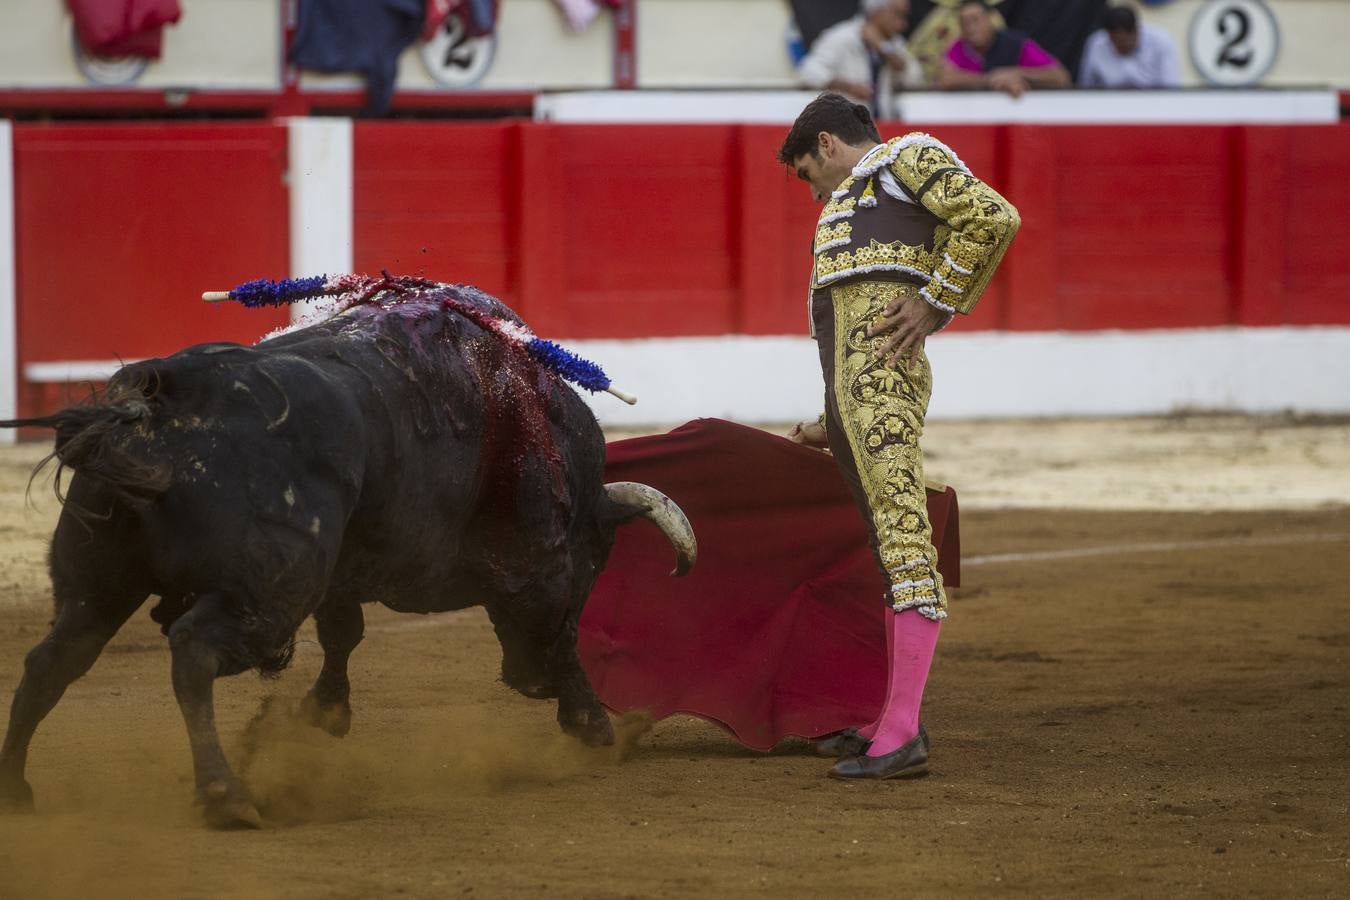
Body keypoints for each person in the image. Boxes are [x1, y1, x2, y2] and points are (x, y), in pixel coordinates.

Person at [779, 93, 1019, 779]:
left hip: (883, 395)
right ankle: (889, 719)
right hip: (856, 400)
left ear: (826, 145)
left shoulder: (904, 157)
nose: (811, 191)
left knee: (905, 542)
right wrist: (833, 417)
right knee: (891, 547)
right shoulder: (844, 208)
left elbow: (993, 216)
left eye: (805, 173)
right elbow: (848, 333)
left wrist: (935, 301)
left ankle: (904, 733)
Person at [797, 0, 924, 120]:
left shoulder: (894, 44)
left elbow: (915, 78)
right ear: (877, 12)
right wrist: (848, 87)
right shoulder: (842, 37)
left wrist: (883, 49)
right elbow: (809, 71)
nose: (902, 24)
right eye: (897, 15)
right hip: (845, 125)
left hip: (883, 125)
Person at [937, 0, 1070, 97]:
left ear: (990, 19)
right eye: (964, 23)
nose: (970, 28)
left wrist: (1017, 73)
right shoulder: (958, 46)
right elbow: (945, 80)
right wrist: (991, 79)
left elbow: (1060, 77)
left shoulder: (1017, 44)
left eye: (975, 20)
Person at [1078, 4, 1182, 89]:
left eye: (1124, 42)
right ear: (1108, 36)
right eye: (1115, 43)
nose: (1121, 48)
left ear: (1136, 32)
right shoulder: (1096, 43)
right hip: (1110, 105)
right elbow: (1086, 86)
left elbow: (1171, 88)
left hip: (1153, 104)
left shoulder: (1161, 41)